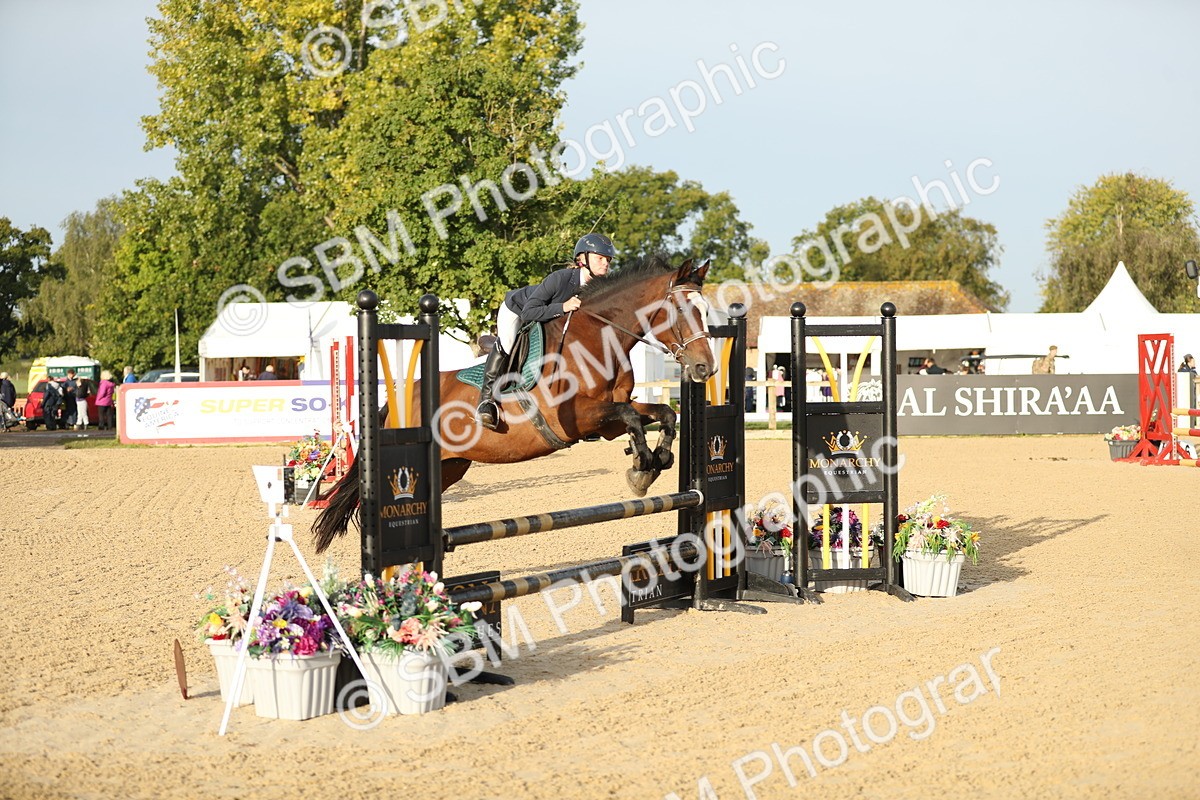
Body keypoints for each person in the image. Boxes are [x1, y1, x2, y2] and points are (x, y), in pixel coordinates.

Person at [476, 233, 616, 430]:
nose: (605, 263)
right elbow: (529, 312)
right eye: (600, 258)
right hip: (517, 309)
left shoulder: (600, 288)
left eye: (608, 260)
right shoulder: (560, 279)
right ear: (582, 259)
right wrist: (563, 307)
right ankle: (486, 401)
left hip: (547, 318)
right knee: (507, 344)